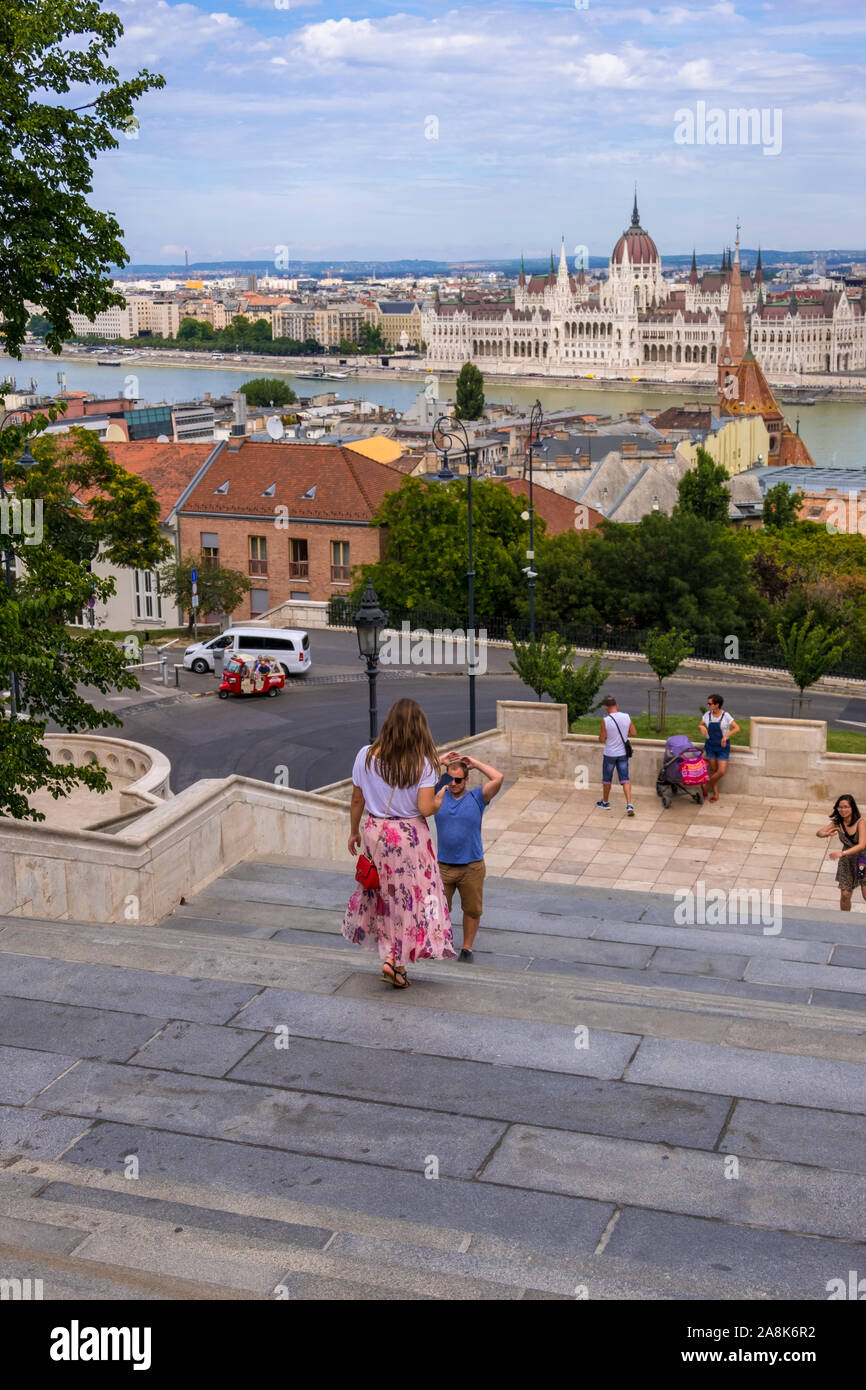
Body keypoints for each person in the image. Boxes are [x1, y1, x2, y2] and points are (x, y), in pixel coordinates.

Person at [342, 698, 455, 987]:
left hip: (375, 832)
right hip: (409, 838)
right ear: (420, 728)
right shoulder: (424, 764)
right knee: (410, 899)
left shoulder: (365, 755)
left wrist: (354, 831)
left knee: (384, 896)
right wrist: (441, 797)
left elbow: (357, 799)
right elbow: (426, 807)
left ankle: (394, 961)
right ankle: (394, 960)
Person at [432, 752, 503, 963]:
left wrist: (475, 762)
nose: (453, 783)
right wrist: (440, 761)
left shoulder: (477, 797)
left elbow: (498, 778)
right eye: (450, 779)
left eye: (458, 780)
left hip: (471, 866)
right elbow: (415, 777)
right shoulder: (438, 795)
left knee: (472, 909)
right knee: (438, 908)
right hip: (443, 866)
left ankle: (467, 948)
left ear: (466, 780)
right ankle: (438, 943)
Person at [816, 794, 866, 911]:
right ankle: (844, 921)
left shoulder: (860, 823)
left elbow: (862, 845)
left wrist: (842, 853)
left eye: (846, 807)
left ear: (852, 808)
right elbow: (819, 833)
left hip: (862, 860)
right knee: (845, 895)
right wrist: (826, 834)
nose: (843, 810)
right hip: (847, 862)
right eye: (840, 807)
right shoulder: (838, 823)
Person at [597, 695, 636, 815]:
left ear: (606, 707)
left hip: (609, 754)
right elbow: (633, 733)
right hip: (623, 754)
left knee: (607, 780)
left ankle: (605, 802)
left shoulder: (606, 720)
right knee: (625, 779)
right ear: (616, 705)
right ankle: (629, 804)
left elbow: (602, 739)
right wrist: (623, 735)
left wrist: (607, 736)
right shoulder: (626, 717)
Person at [699, 694, 740, 802]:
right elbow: (700, 724)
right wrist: (702, 727)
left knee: (721, 771)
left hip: (723, 747)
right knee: (713, 770)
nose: (708, 705)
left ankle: (706, 787)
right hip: (710, 745)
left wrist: (726, 736)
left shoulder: (726, 715)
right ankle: (716, 794)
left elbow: (737, 728)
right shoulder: (707, 715)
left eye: (710, 703)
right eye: (707, 703)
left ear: (717, 705)